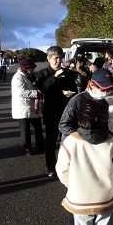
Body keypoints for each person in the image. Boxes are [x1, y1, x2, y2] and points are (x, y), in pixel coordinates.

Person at [59, 67, 113, 225]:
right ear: (92, 85)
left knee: (96, 190)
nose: (105, 93)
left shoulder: (104, 104)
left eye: (108, 89)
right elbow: (63, 125)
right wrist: (81, 140)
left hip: (97, 152)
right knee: (78, 194)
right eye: (102, 88)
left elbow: (104, 129)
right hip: (77, 152)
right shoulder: (78, 100)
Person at [36, 46, 77, 178]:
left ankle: (66, 165)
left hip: (66, 110)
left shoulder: (68, 73)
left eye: (60, 58)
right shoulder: (42, 73)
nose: (58, 61)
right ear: (48, 59)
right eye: (56, 58)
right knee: (51, 141)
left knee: (66, 140)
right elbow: (43, 89)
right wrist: (55, 76)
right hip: (51, 111)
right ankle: (51, 167)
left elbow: (74, 88)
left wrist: (70, 93)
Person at [11, 58, 45, 155]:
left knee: (38, 128)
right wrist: (35, 93)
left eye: (32, 68)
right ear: (24, 68)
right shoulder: (18, 77)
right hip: (22, 107)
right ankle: (27, 148)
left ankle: (41, 145)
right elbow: (20, 92)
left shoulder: (31, 76)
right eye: (30, 68)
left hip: (32, 107)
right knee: (25, 130)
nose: (32, 70)